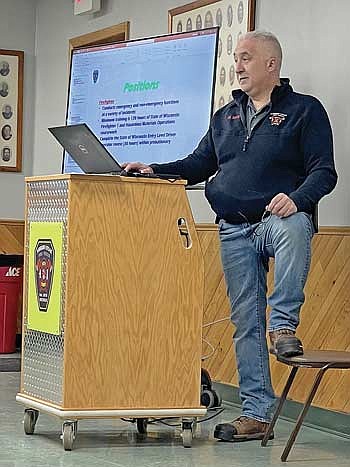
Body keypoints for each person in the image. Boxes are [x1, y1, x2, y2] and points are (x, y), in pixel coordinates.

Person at [122, 31, 337, 442]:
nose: (237, 66)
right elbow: (199, 163)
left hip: (276, 218)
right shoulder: (226, 116)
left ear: (271, 65)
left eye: (245, 58)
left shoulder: (304, 112)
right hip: (234, 228)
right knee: (244, 322)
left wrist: (297, 199)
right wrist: (155, 168)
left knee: (295, 227)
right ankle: (256, 414)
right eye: (236, 59)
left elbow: (324, 172)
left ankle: (284, 326)